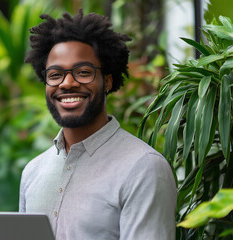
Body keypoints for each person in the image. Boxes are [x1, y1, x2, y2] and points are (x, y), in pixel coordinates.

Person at [19, 9, 177, 240]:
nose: (67, 83)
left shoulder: (143, 168)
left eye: (83, 72)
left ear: (107, 81)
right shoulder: (33, 172)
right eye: (55, 75)